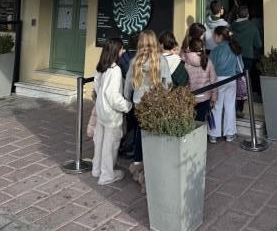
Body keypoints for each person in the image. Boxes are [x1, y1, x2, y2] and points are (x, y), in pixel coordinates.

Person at [124, 30, 172, 189]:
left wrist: (127, 100)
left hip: (139, 105)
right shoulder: (161, 60)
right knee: (153, 136)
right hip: (156, 104)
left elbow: (128, 87)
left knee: (139, 134)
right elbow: (168, 84)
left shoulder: (135, 61)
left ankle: (138, 165)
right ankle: (151, 169)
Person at [92, 38, 132, 185]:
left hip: (101, 110)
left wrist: (101, 100)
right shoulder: (115, 70)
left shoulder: (102, 66)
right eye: (122, 49)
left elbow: (97, 86)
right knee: (110, 145)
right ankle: (107, 175)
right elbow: (113, 96)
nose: (124, 51)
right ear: (116, 51)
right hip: (111, 114)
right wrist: (127, 105)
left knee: (100, 142)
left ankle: (97, 169)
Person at [208, 26, 242, 143]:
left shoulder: (215, 50)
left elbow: (209, 68)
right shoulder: (235, 48)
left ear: (220, 36)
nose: (213, 38)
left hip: (217, 80)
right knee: (230, 106)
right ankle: (230, 134)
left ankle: (213, 134)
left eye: (214, 35)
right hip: (231, 79)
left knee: (216, 107)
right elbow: (240, 68)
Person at [183, 38, 217, 121]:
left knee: (189, 122)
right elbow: (213, 81)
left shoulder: (184, 61)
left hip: (189, 97)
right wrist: (214, 97)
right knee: (200, 122)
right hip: (204, 97)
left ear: (190, 48)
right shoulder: (207, 61)